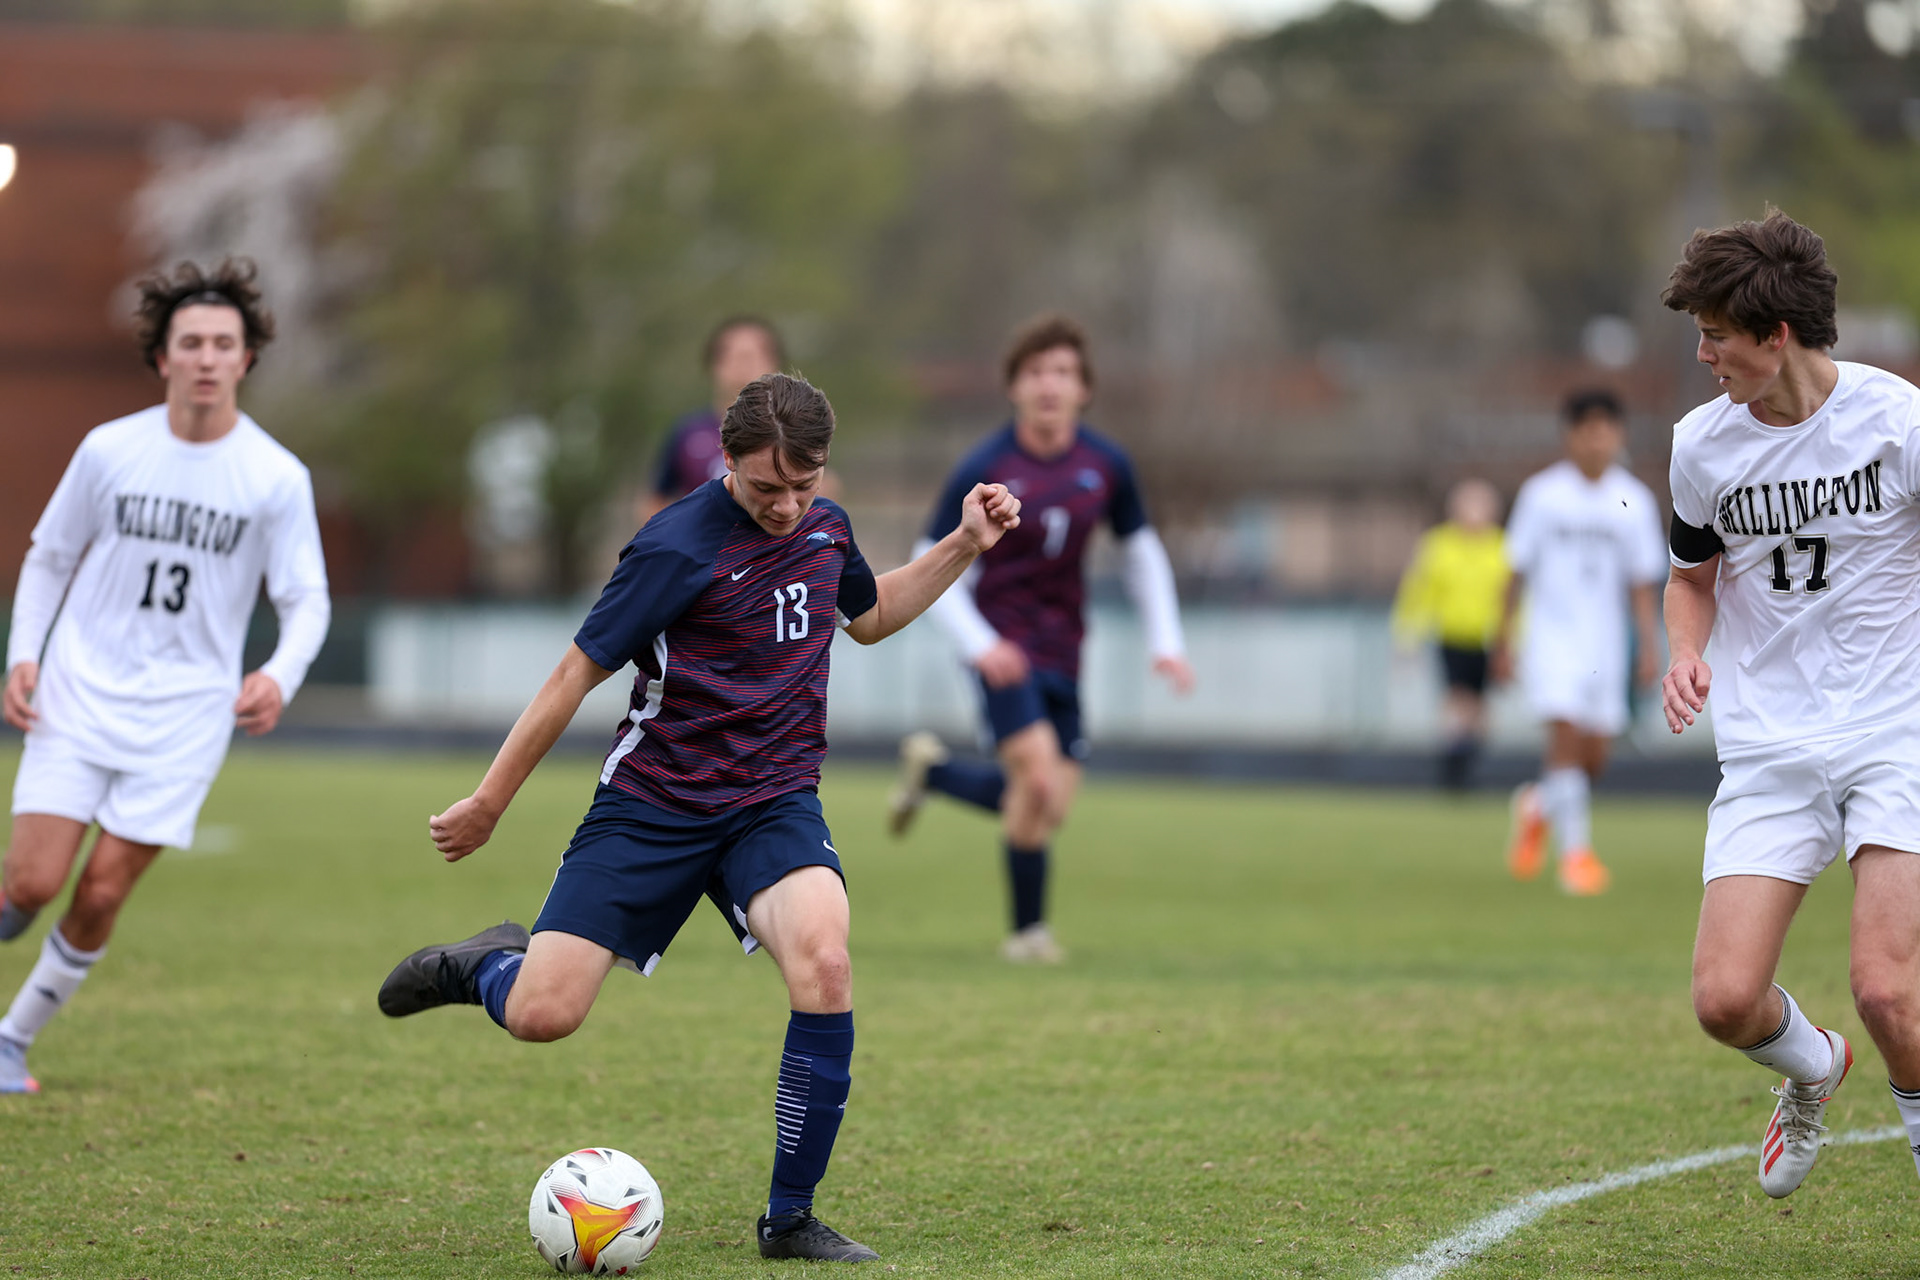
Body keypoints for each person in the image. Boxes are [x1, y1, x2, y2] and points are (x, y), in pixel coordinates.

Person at [376, 372, 1021, 1263]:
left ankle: (788, 1220)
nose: (789, 506)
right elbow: (574, 675)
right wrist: (490, 802)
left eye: (807, 484)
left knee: (825, 964)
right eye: (767, 488)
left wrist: (964, 543)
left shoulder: (827, 528)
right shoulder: (672, 548)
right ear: (726, 462)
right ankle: (482, 966)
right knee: (544, 1015)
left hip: (772, 802)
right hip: (654, 805)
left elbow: (868, 620)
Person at [0, 259, 331, 1094]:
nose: (208, 357)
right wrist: (24, 653)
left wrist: (279, 675)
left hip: (185, 718)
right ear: (163, 357)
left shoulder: (275, 477)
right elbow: (49, 558)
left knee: (103, 892)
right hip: (78, 691)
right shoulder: (109, 449)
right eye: (192, 342)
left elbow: (307, 599)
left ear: (247, 358)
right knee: (33, 882)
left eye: (225, 343)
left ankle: (11, 1041)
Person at [1662, 210, 1920, 1200]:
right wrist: (1686, 651)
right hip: (1772, 746)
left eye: (1717, 332)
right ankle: (1814, 1065)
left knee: (1888, 985)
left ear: (1776, 337)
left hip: (1896, 731)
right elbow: (1689, 576)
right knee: (1724, 999)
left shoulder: (1896, 422)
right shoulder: (1700, 447)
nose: (1703, 352)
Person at [886, 313, 1194, 963]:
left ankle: (935, 774)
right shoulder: (986, 463)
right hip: (1005, 650)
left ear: (1084, 389)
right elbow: (927, 551)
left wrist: (1166, 642)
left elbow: (1141, 552)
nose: (1049, 385)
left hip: (1065, 648)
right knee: (1040, 784)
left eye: (1062, 373)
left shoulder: (1107, 465)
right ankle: (1028, 935)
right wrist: (978, 643)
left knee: (1043, 804)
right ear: (1013, 388)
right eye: (1035, 373)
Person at [1493, 389, 1665, 895]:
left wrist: (1649, 646)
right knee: (1564, 737)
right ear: (1569, 436)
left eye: (1606, 430)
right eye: (1587, 429)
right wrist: (1503, 641)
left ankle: (1537, 805)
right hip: (1551, 638)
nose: (1597, 440)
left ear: (1619, 435)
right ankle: (1577, 858)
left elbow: (1641, 584)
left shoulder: (1633, 499)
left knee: (1593, 757)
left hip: (1605, 646)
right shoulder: (1542, 495)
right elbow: (1514, 573)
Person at [1391, 478, 1509, 790]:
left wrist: (1514, 641)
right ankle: (1453, 766)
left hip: (1489, 640)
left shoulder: (1502, 547)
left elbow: (1513, 599)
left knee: (1480, 707)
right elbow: (1417, 592)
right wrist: (1408, 634)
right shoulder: (1438, 545)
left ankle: (1469, 761)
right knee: (1457, 701)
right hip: (1451, 636)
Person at [636, 316, 784, 525]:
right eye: (735, 356)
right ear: (715, 365)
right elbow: (654, 500)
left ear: (774, 363)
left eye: (753, 356)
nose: (744, 366)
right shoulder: (687, 432)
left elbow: (822, 489)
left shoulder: (792, 431)